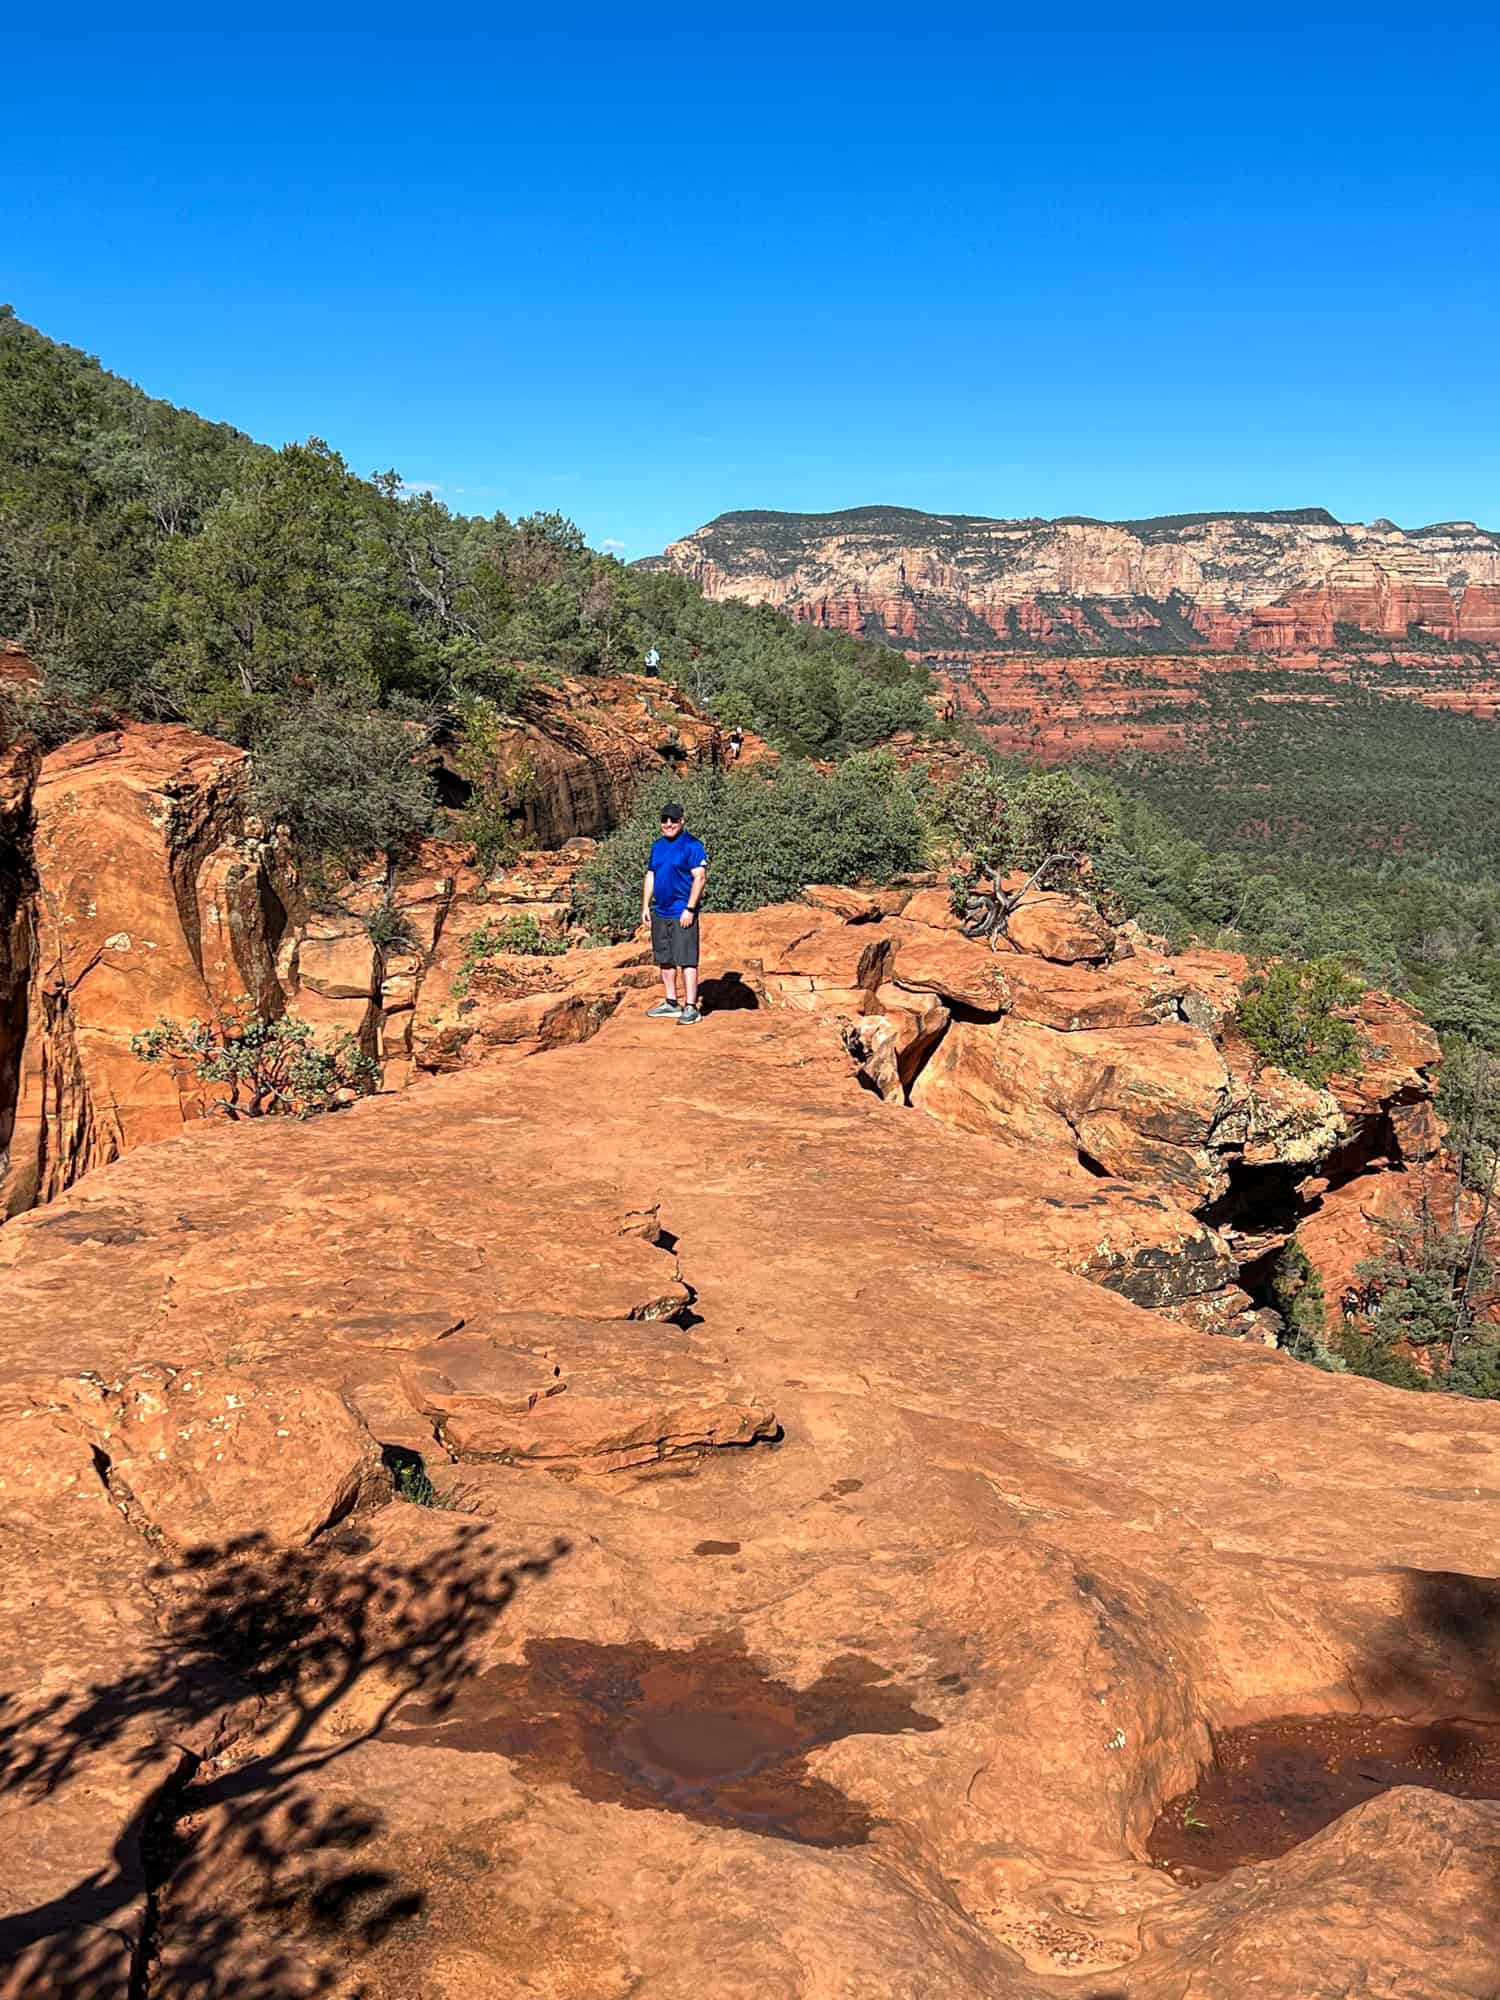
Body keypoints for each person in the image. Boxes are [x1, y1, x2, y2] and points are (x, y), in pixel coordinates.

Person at [640, 802, 707, 1024]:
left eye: (673, 820)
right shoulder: (657, 846)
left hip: (682, 912)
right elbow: (651, 875)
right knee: (665, 958)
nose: (669, 824)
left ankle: (691, 1007)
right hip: (660, 911)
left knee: (687, 959)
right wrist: (645, 906)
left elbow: (700, 877)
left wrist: (690, 908)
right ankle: (671, 1002)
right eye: (665, 820)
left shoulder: (692, 845)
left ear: (682, 822)